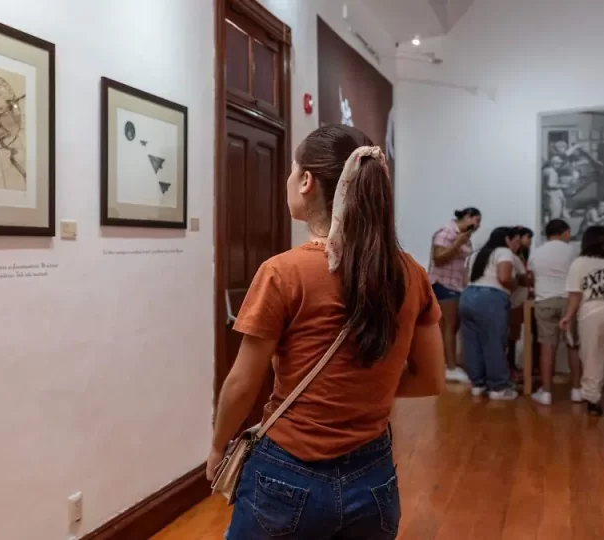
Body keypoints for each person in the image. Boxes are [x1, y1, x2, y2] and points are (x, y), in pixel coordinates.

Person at [207, 125, 444, 539]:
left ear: (305, 181)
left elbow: (243, 384)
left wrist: (217, 446)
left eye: (291, 170)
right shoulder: (412, 275)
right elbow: (430, 378)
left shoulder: (283, 272)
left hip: (287, 475)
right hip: (374, 479)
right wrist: (363, 389)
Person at [459, 227, 525, 400]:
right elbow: (504, 278)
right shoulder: (504, 252)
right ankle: (498, 388)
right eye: (516, 241)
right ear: (506, 239)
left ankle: (478, 385)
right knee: (494, 342)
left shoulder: (475, 254)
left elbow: (465, 280)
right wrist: (515, 286)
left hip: (467, 297)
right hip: (490, 298)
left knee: (472, 343)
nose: (517, 245)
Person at [560, 226, 604, 416]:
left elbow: (575, 295)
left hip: (591, 313)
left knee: (592, 357)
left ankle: (592, 401)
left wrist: (568, 316)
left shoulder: (579, 263)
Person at [529, 219, 582, 405]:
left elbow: (532, 275)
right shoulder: (573, 251)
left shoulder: (537, 252)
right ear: (564, 232)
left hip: (544, 300)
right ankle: (576, 390)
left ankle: (546, 393)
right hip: (569, 301)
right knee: (573, 346)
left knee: (547, 346)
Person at [429, 207, 481, 383]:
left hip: (457, 286)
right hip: (443, 284)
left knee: (451, 326)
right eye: (477, 220)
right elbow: (438, 258)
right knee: (449, 326)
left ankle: (446, 364)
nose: (478, 225)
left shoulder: (466, 238)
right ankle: (450, 368)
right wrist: (457, 243)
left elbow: (464, 265)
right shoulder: (447, 233)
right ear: (467, 217)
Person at [506, 227, 533, 382]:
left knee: (514, 336)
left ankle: (513, 366)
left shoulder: (522, 255)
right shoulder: (510, 256)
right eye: (527, 238)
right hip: (512, 301)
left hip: (521, 300)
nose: (529, 242)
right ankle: (509, 368)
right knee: (510, 336)